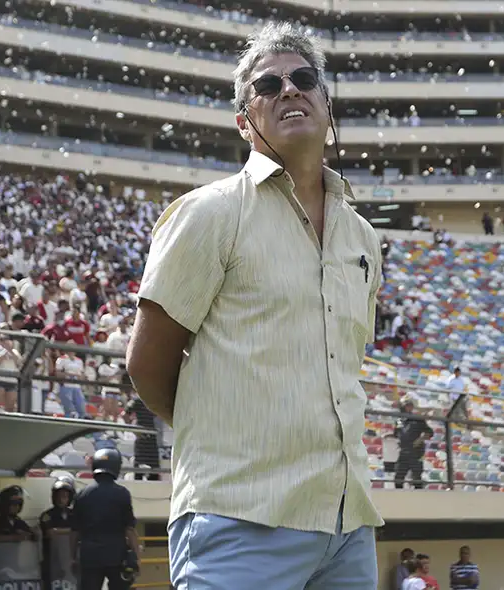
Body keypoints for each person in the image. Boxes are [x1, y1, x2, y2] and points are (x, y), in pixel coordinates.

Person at [127, 21, 383, 590]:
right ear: (246, 122)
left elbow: (343, 367)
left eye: (304, 78)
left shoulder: (363, 236)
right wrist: (231, 440)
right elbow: (147, 365)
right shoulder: (209, 214)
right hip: (239, 519)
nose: (289, 90)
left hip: (346, 526)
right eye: (268, 86)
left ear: (326, 103)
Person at [72, 448, 142, 590]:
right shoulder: (122, 494)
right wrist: (136, 556)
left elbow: (74, 532)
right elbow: (129, 529)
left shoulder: (81, 495)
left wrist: (72, 557)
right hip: (116, 557)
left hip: (89, 557)